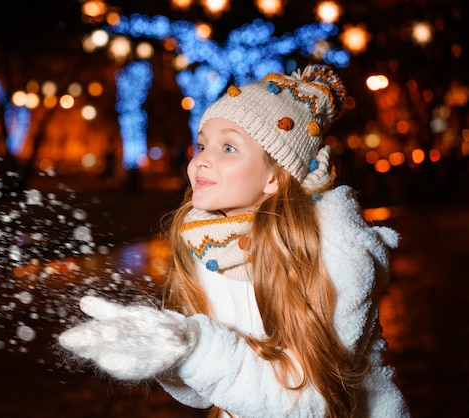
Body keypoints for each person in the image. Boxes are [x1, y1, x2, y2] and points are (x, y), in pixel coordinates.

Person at [59, 64, 410, 418]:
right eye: (202, 144)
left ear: (274, 178)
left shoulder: (335, 253)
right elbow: (205, 391)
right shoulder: (209, 245)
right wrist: (169, 347)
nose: (200, 160)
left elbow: (309, 402)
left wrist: (194, 347)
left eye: (228, 147)